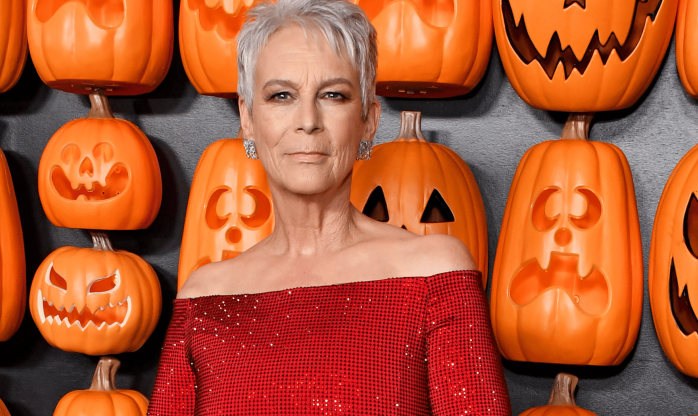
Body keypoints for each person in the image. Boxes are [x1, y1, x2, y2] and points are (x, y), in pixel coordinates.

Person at [148, 0, 511, 413]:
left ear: (368, 120)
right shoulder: (203, 296)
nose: (308, 120)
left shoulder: (433, 275)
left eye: (333, 95)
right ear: (248, 120)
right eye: (281, 95)